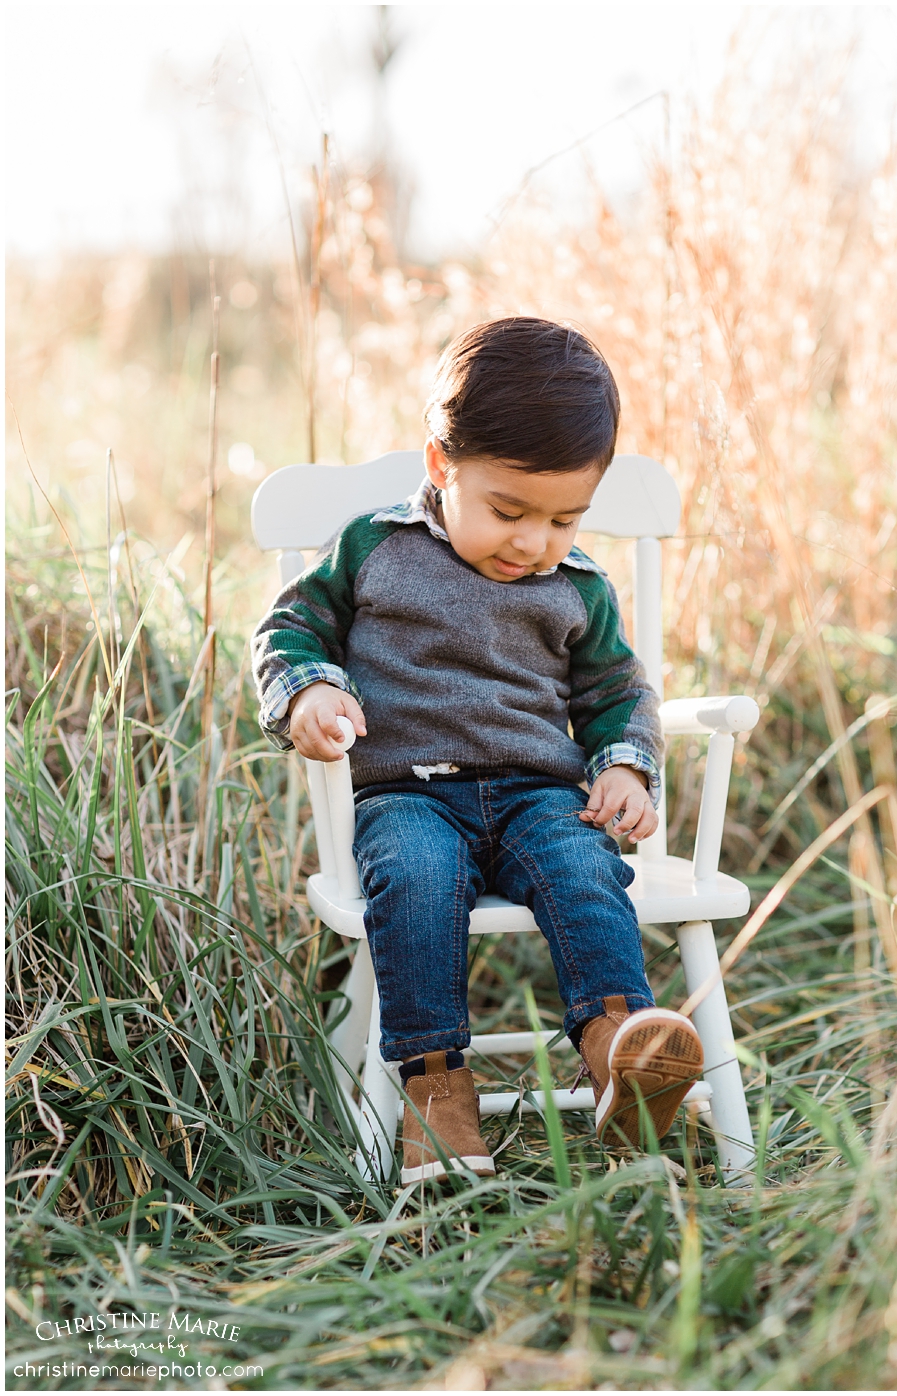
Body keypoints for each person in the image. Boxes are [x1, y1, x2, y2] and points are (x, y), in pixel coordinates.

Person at [253, 316, 703, 1185]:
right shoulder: (375, 550)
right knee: (414, 880)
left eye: (565, 518)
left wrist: (624, 762)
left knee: (585, 868)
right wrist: (308, 688)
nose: (533, 542)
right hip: (407, 794)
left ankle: (620, 1053)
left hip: (540, 792)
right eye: (507, 510)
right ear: (440, 467)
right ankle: (437, 1093)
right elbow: (289, 629)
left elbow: (616, 695)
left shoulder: (578, 589)